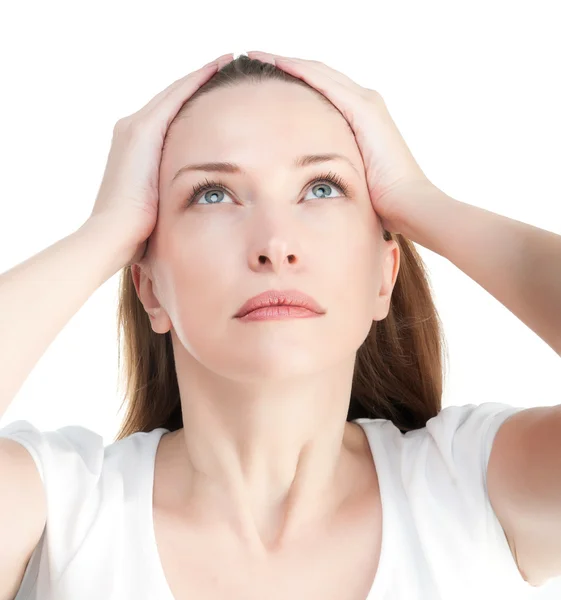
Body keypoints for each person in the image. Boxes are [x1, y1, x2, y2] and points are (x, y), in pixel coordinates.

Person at [0, 53, 542, 599]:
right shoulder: (56, 518)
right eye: (213, 194)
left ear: (385, 276)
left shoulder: (475, 488)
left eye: (322, 188)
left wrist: (419, 198)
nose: (274, 245)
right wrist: (107, 231)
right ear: (149, 289)